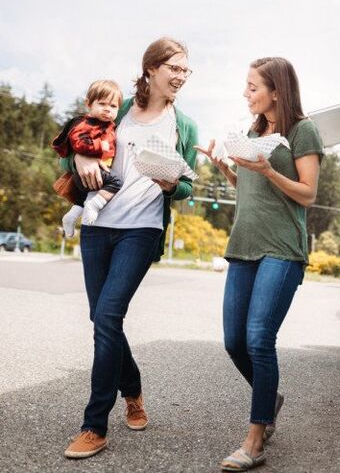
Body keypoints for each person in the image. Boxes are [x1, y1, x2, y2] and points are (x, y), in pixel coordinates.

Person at [62, 37, 200, 459]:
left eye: (185, 70)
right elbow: (77, 139)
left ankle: (94, 426)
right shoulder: (119, 109)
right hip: (99, 224)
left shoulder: (185, 124)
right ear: (152, 69)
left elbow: (189, 186)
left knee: (107, 314)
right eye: (174, 68)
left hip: (142, 229)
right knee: (101, 318)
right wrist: (81, 161)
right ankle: (134, 391)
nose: (180, 76)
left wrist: (173, 185)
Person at [197, 57, 323, 471]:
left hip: (282, 250)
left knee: (258, 339)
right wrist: (227, 171)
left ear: (277, 92)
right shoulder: (253, 132)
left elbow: (307, 195)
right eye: (247, 86)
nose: (246, 93)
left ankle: (254, 440)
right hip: (244, 246)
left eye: (253, 87)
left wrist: (267, 168)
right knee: (234, 341)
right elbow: (251, 189)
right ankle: (269, 400)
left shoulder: (303, 131)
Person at [52, 80, 124, 238]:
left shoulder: (108, 125)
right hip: (91, 170)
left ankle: (71, 217)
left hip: (92, 173)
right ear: (89, 103)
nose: (107, 109)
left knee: (82, 197)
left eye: (113, 106)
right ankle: (94, 205)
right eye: (102, 104)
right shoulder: (87, 124)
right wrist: (100, 146)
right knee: (116, 182)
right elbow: (78, 142)